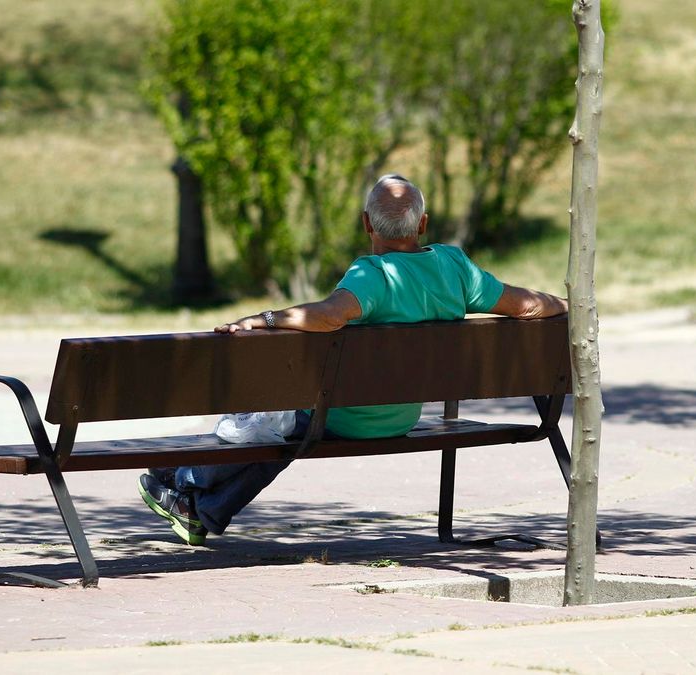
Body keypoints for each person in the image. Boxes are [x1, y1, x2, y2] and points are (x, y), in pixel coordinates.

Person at [139, 174, 567, 545]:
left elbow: (328, 317)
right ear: (422, 224)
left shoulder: (373, 274)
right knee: (291, 427)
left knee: (285, 426)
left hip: (343, 417)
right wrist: (571, 303)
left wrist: (266, 318)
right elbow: (527, 306)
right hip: (399, 419)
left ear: (367, 224)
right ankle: (201, 509)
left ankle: (184, 481)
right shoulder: (455, 267)